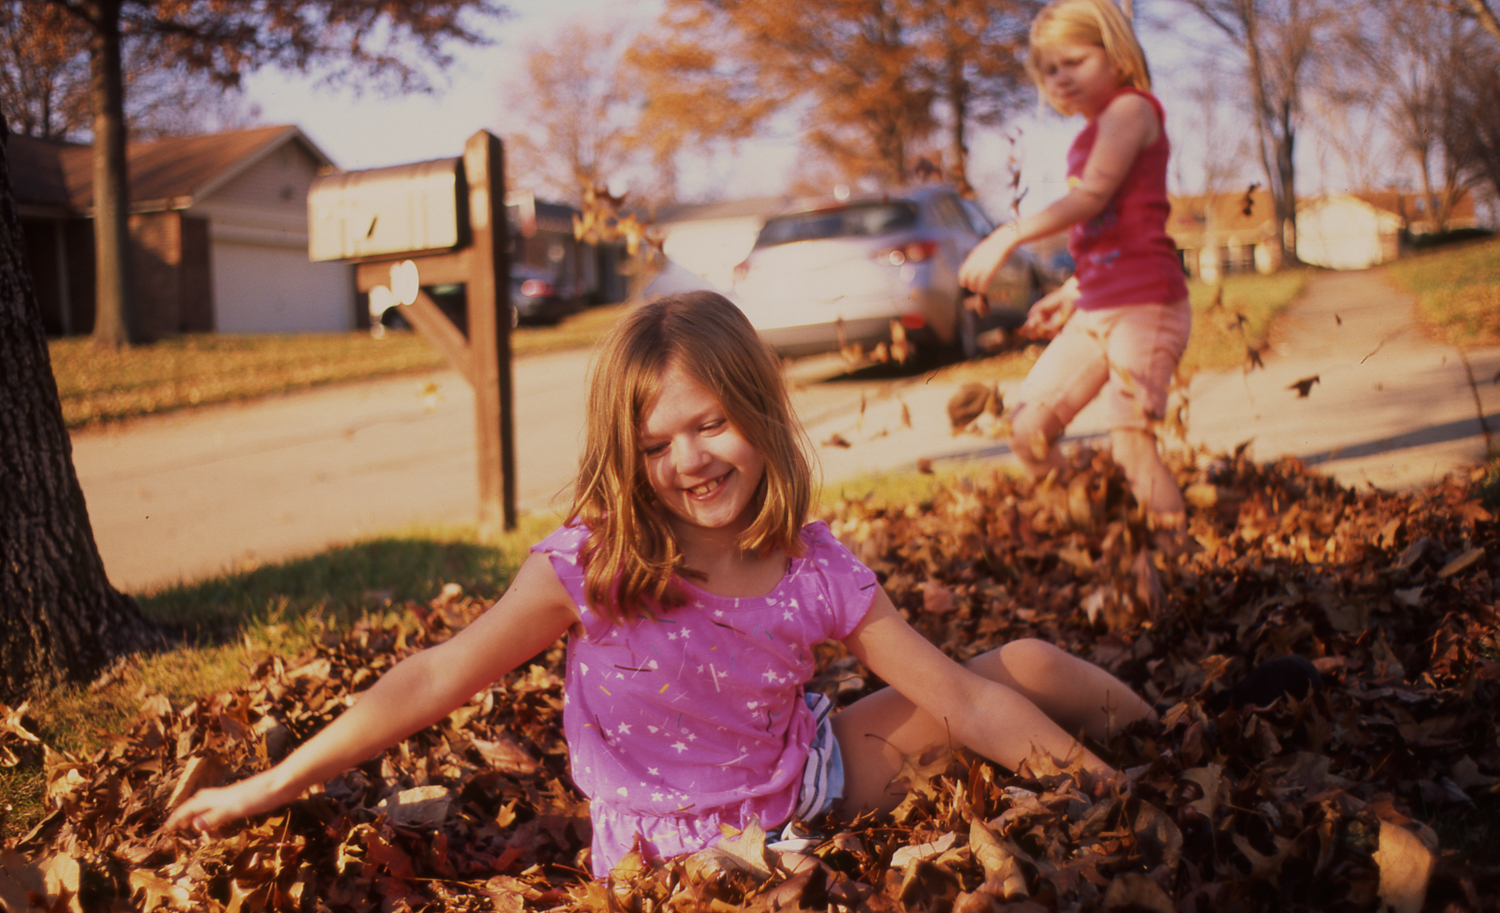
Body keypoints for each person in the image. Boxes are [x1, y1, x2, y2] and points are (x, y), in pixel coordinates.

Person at [164, 291, 1158, 877]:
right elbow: (433, 679)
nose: (691, 460)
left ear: (761, 418)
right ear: (624, 452)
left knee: (1023, 665)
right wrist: (272, 783)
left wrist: (1117, 802)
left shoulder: (814, 565)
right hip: (668, 853)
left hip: (808, 780)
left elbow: (959, 695)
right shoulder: (592, 564)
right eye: (656, 442)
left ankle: (1158, 737)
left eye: (713, 424)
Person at [959, 0, 1191, 528]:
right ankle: (1095, 533)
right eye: (1049, 69)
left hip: (1148, 307)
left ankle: (1182, 569)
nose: (1060, 78)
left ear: (1115, 54)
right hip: (1097, 308)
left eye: (1074, 61)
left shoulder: (1133, 110)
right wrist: (1073, 292)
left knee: (1131, 443)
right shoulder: (1087, 136)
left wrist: (1007, 236)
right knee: (1027, 429)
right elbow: (1106, 231)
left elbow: (1092, 199)